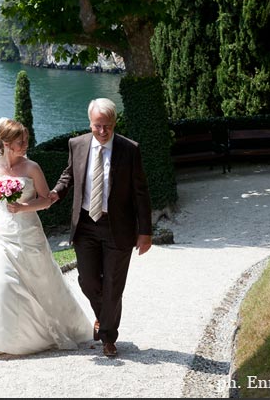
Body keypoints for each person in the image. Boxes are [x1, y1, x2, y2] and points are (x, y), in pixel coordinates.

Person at [0, 117, 92, 356]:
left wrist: (23, 207)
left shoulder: (32, 167)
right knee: (1, 280)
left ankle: (38, 333)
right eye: (20, 141)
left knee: (40, 278)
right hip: (1, 232)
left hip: (28, 230)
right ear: (6, 143)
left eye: (26, 140)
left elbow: (46, 200)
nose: (25, 145)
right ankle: (0, 336)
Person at [48, 98, 153, 357]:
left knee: (113, 286)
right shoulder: (77, 144)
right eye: (97, 126)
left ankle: (107, 336)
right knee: (88, 280)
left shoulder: (129, 149)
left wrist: (145, 231)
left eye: (107, 126)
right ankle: (103, 317)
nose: (103, 131)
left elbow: (141, 192)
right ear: (90, 123)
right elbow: (68, 175)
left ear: (114, 123)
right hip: (85, 225)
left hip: (118, 227)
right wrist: (54, 193)